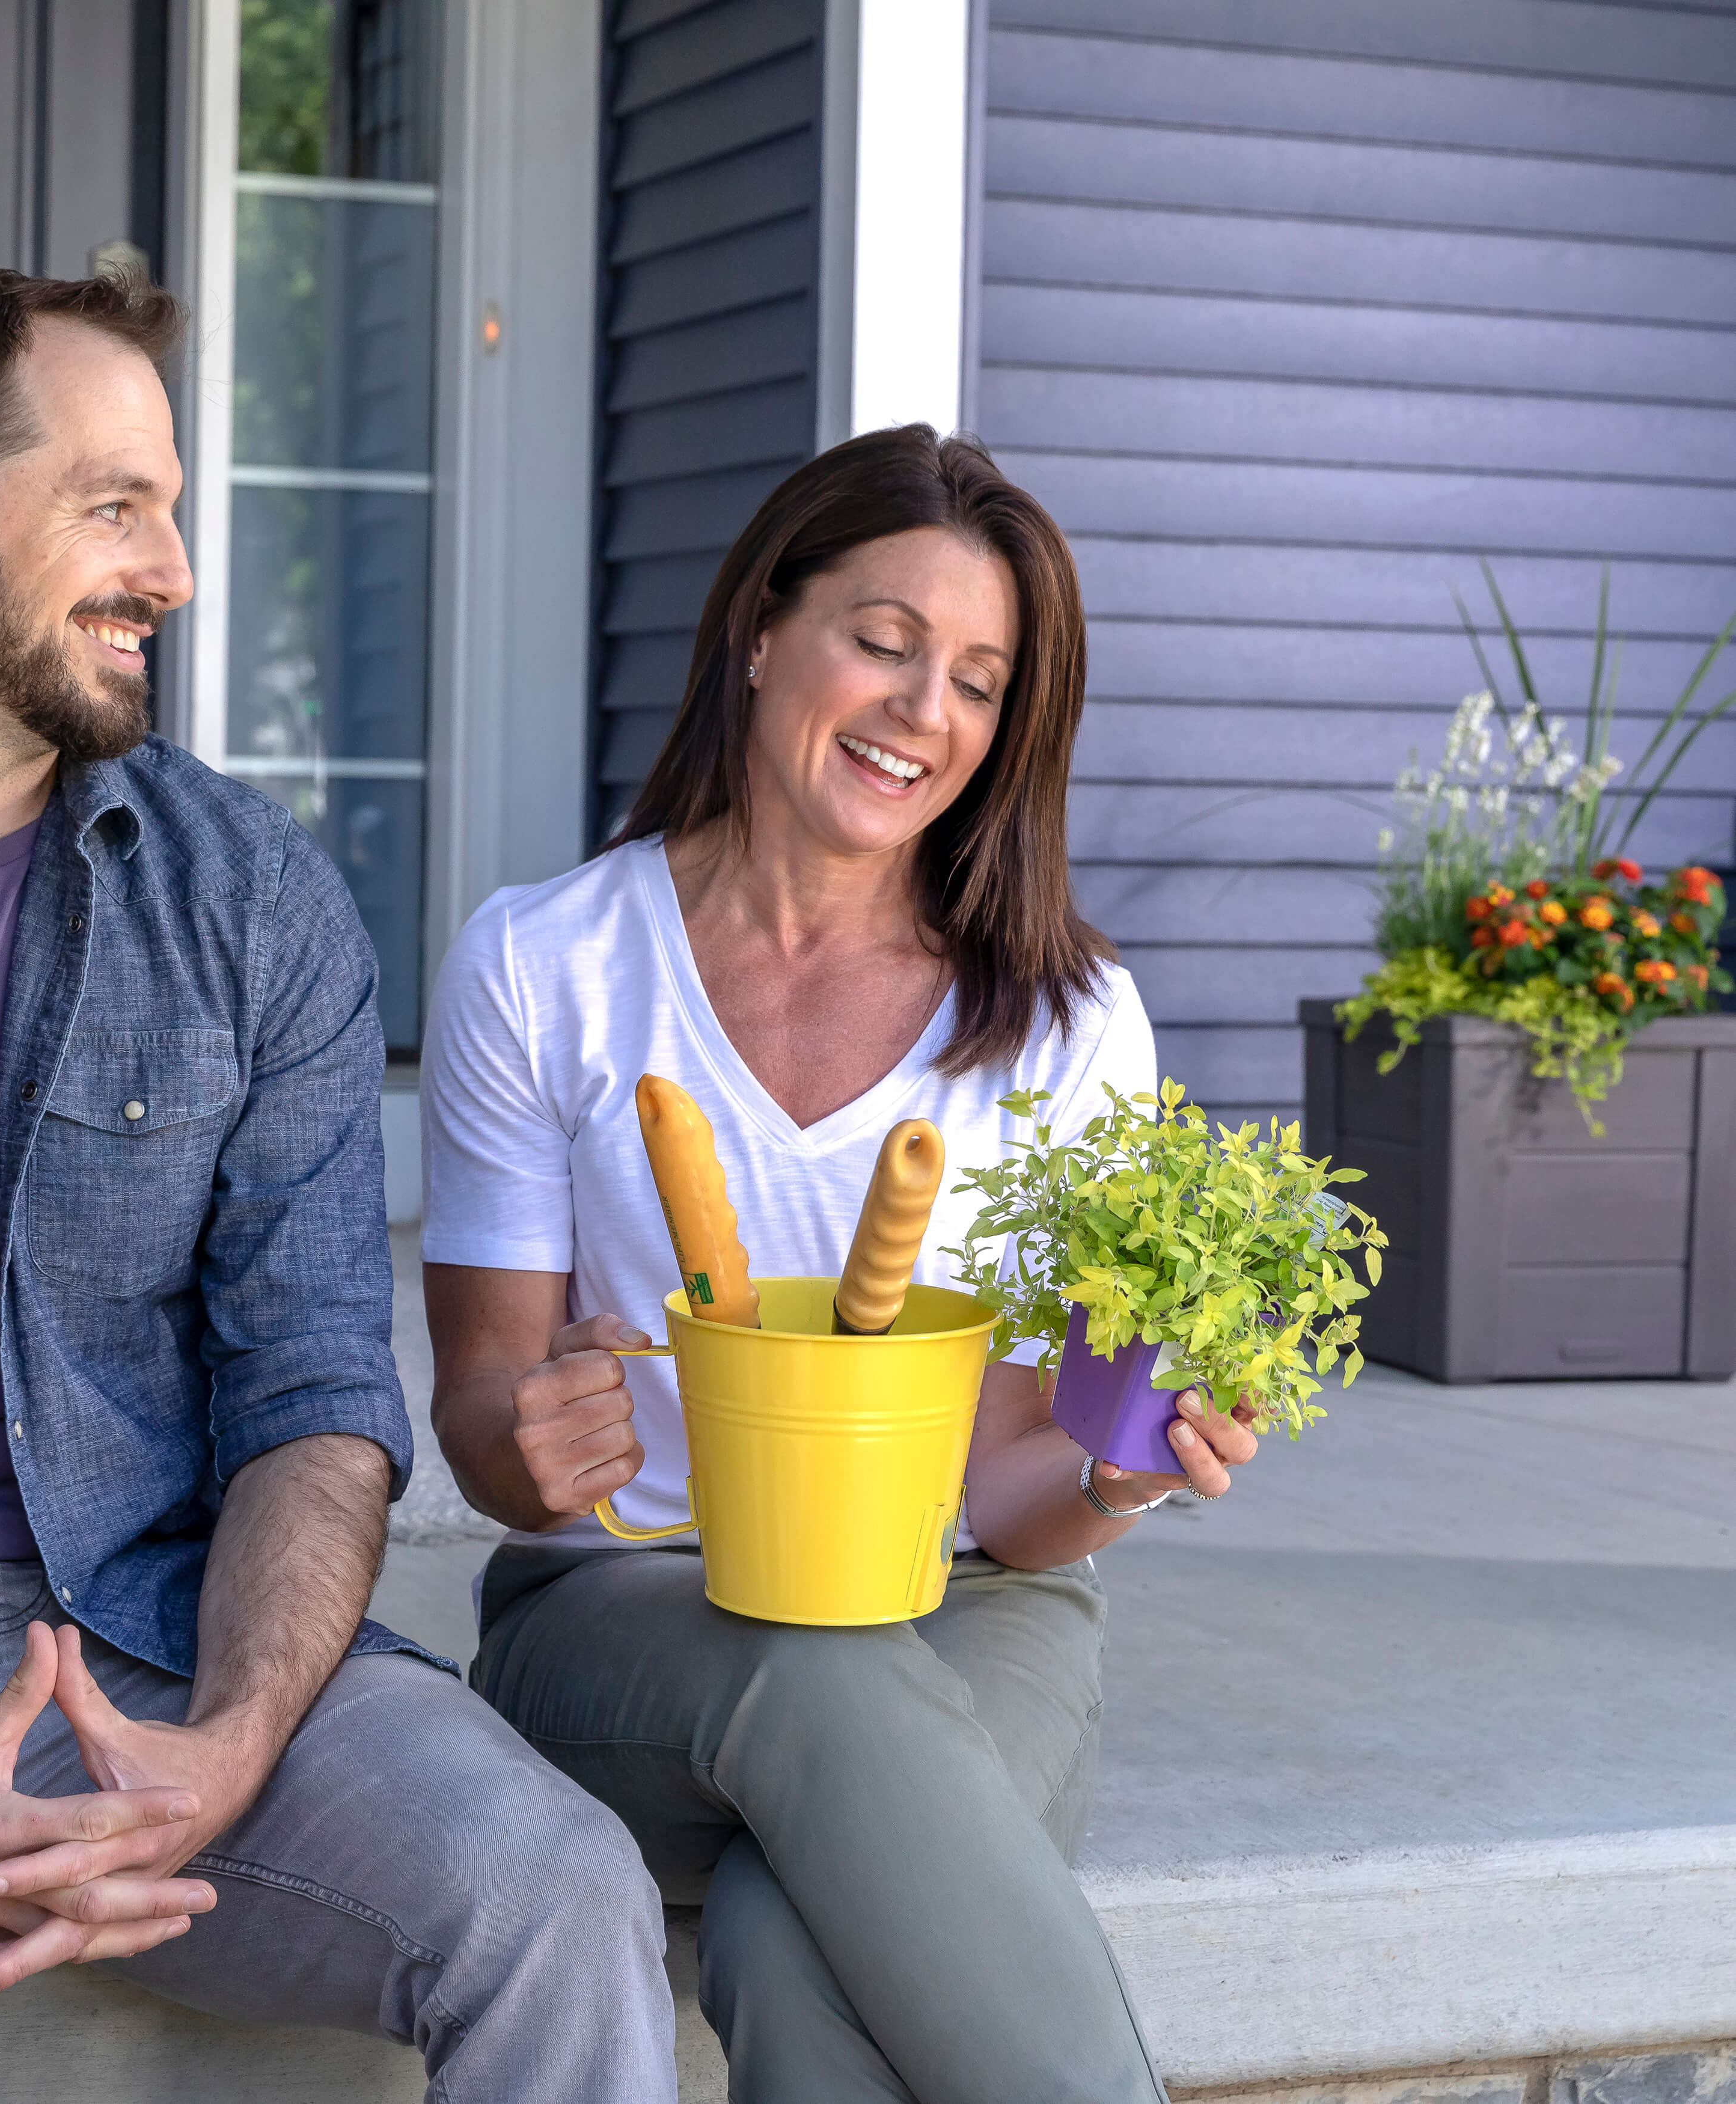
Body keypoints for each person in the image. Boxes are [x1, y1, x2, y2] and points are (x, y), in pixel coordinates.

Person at [0, 262, 674, 2100]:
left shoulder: (250, 901)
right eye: (117, 505)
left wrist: (241, 1737)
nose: (174, 572)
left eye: (169, 507)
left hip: (165, 1663)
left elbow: (311, 1398)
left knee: (556, 1889)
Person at [423, 424, 1261, 2103]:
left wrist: (1117, 1471)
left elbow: (1015, 1494)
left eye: (975, 679)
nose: (920, 712)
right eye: (880, 642)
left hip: (979, 1603)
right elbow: (481, 1415)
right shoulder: (546, 964)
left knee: (792, 1925)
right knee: (814, 1679)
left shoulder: (1067, 1023)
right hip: (626, 1613)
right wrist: (527, 1435)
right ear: (758, 628)